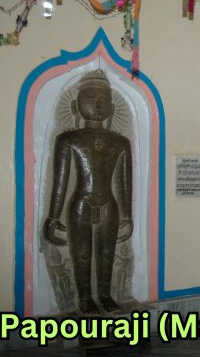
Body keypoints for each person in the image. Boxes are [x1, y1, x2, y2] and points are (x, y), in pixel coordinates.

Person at [43, 69, 133, 314]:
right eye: (91, 97)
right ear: (76, 105)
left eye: (104, 99)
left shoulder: (120, 142)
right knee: (82, 254)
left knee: (107, 254)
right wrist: (53, 217)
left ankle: (104, 295)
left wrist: (127, 216)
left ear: (112, 108)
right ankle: (85, 298)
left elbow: (125, 183)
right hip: (81, 202)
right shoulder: (68, 139)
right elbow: (60, 183)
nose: (98, 104)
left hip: (109, 203)